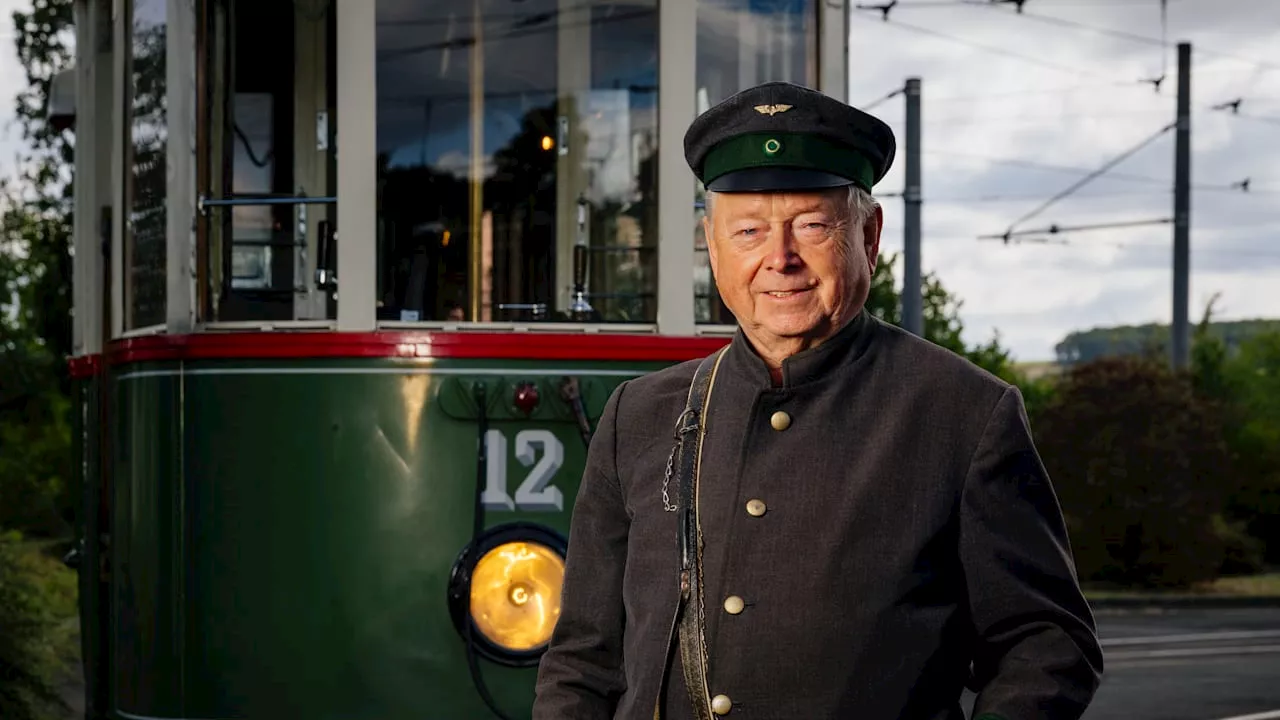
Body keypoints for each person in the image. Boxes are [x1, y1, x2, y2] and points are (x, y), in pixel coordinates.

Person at [533, 81, 1103, 720]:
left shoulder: (965, 414)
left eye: (811, 226)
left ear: (869, 235)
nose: (780, 259)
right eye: (748, 230)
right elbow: (584, 660)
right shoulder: (639, 415)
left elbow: (1046, 646)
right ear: (712, 246)